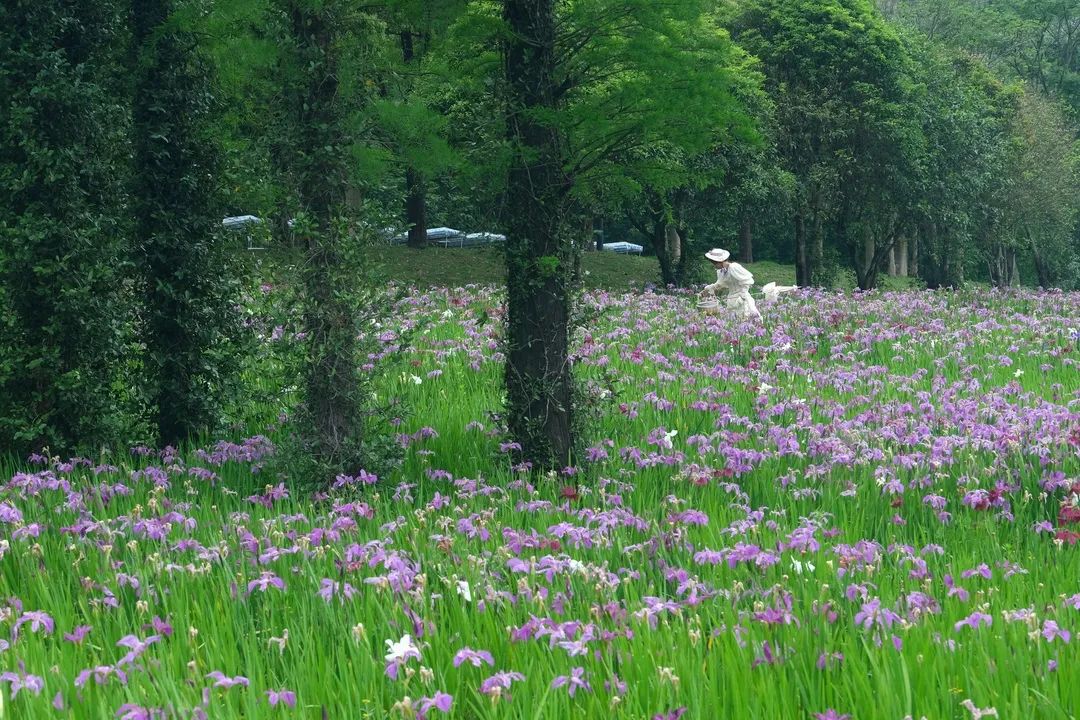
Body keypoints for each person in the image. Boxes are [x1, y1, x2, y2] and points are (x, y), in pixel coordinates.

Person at [698, 248, 761, 321]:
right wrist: (707, 290)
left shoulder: (734, 267)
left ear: (720, 261)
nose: (714, 265)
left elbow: (747, 281)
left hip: (742, 297)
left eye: (715, 263)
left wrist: (742, 296)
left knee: (746, 317)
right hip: (731, 298)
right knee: (734, 320)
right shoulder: (720, 271)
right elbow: (720, 285)